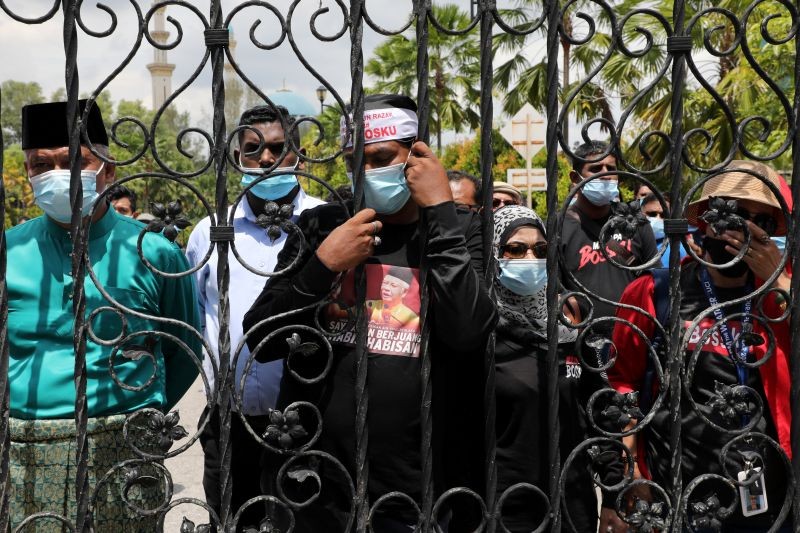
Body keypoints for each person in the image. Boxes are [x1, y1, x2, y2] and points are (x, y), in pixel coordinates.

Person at [242, 93, 495, 532]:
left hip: (421, 485)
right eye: (354, 161)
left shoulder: (463, 227)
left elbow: (468, 331)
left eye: (380, 158)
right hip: (318, 481)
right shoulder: (322, 225)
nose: (367, 173)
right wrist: (323, 266)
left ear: (418, 155)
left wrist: (439, 214)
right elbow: (261, 341)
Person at [7, 100, 202, 530]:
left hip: (125, 445)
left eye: (76, 161)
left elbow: (186, 346)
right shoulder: (9, 251)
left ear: (108, 172)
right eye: (43, 164)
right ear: (29, 175)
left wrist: (137, 409)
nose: (58, 174)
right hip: (26, 448)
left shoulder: (154, 253)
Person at [609, 160, 792, 531]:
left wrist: (780, 285)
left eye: (764, 221)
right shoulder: (654, 293)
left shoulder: (778, 300)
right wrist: (630, 477)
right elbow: (620, 385)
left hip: (767, 504)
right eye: (736, 214)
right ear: (708, 220)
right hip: (673, 493)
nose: (748, 229)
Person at [185, 104, 324, 531]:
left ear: (298, 156)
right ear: (239, 158)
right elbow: (193, 318)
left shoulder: (325, 219)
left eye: (278, 149)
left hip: (308, 417)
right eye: (254, 149)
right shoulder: (212, 231)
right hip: (229, 418)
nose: (266, 159)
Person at [492, 205, 626, 532]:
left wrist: (612, 493)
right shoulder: (482, 331)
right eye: (515, 249)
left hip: (572, 495)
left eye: (540, 249)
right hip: (506, 503)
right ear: (493, 253)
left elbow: (602, 407)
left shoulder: (567, 326)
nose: (530, 258)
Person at [560, 141, 657, 336]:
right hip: (580, 340)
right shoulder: (558, 227)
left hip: (632, 337)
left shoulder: (636, 223)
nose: (605, 174)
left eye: (610, 168)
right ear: (575, 177)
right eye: (595, 168)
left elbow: (654, 280)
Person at [640, 193, 689, 268]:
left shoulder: (676, 249)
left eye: (664, 216)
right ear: (640, 214)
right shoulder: (628, 242)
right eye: (652, 214)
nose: (657, 219)